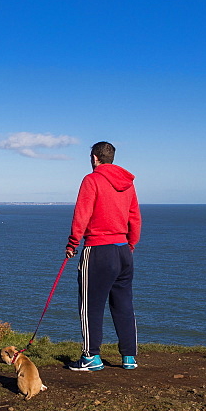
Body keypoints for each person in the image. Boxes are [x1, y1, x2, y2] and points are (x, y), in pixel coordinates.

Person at [64, 141, 141, 371]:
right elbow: (134, 216)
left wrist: (72, 243)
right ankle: (129, 356)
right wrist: (131, 245)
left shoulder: (92, 179)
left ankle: (91, 357)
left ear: (95, 158)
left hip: (98, 250)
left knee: (90, 305)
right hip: (123, 251)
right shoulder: (128, 183)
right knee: (124, 304)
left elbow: (82, 213)